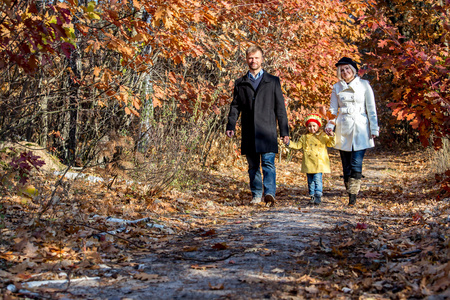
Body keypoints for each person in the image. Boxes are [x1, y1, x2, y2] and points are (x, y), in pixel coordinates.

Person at [226, 45, 290, 207]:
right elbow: (235, 106)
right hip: (249, 131)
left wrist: (284, 131)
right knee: (253, 166)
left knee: (268, 164)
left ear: (262, 59)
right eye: (250, 58)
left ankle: (269, 193)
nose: (253, 61)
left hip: (267, 131)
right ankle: (256, 195)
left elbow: (280, 108)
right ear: (246, 59)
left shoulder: (273, 81)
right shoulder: (240, 83)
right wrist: (230, 125)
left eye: (256, 58)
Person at [325, 57, 379, 206]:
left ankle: (352, 197)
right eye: (342, 70)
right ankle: (349, 190)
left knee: (356, 163)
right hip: (343, 128)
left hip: (360, 127)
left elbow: (371, 109)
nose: (345, 72)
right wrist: (330, 125)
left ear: (353, 69)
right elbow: (333, 110)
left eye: (347, 68)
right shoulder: (336, 87)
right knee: (346, 164)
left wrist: (374, 128)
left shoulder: (364, 85)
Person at [289, 114, 336, 205]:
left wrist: (331, 135)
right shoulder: (305, 137)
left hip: (319, 162)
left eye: (314, 126)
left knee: (317, 179)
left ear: (318, 126)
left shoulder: (322, 135)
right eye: (309, 126)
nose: (312, 128)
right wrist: (288, 143)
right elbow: (297, 145)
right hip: (308, 163)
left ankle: (318, 194)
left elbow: (331, 144)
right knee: (310, 180)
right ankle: (312, 195)